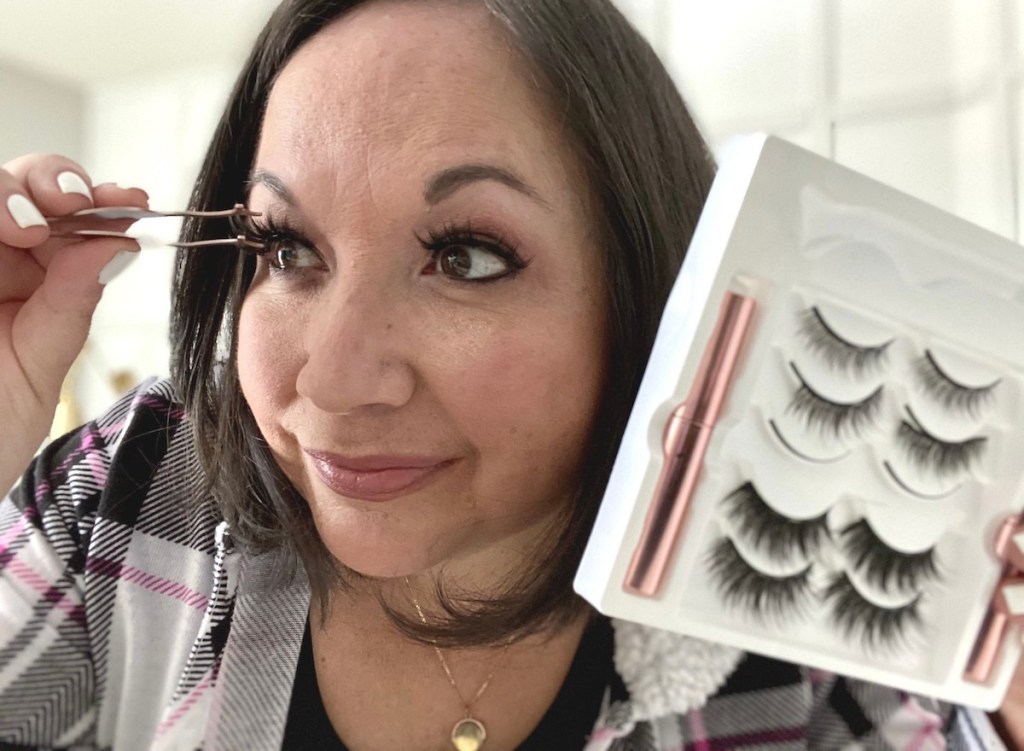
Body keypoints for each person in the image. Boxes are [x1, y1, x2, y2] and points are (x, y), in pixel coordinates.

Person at [0, 0, 1018, 749]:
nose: (341, 380)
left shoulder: (790, 619)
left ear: (646, 291)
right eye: (285, 248)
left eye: (467, 256)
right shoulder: (127, 494)